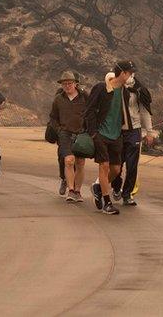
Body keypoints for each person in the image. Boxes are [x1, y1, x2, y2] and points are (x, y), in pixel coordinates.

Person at [84, 60, 135, 216]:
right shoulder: (101, 88)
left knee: (116, 169)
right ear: (123, 73)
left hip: (116, 136)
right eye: (130, 73)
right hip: (101, 134)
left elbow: (124, 114)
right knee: (104, 166)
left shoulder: (125, 93)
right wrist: (93, 133)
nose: (131, 76)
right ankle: (107, 203)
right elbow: (90, 110)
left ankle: (98, 188)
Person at [111, 73, 154, 206]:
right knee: (117, 163)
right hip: (117, 130)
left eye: (130, 74)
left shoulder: (139, 90)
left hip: (134, 130)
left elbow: (144, 111)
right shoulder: (115, 88)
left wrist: (149, 131)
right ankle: (116, 187)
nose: (128, 77)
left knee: (132, 164)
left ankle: (127, 194)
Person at [49, 71, 89, 203]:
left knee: (80, 163)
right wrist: (59, 130)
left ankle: (78, 191)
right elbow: (53, 118)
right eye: (64, 84)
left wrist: (89, 131)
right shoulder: (58, 99)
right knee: (69, 161)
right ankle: (71, 191)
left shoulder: (84, 97)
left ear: (75, 83)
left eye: (69, 83)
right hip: (65, 134)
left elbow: (92, 113)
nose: (67, 86)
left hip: (81, 134)